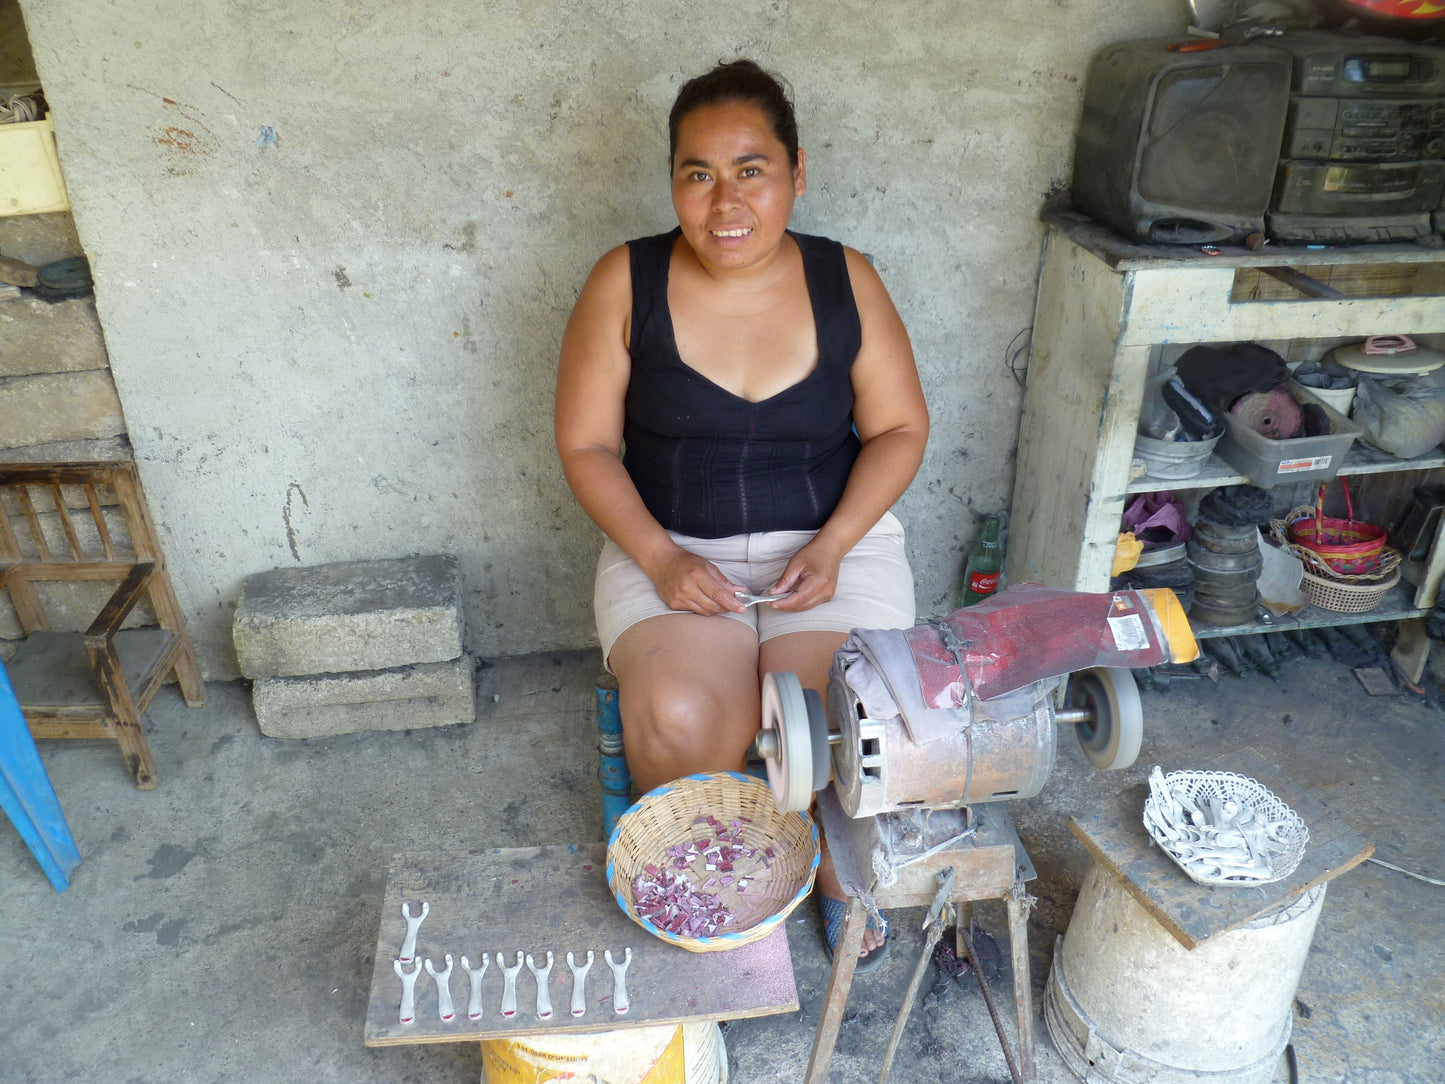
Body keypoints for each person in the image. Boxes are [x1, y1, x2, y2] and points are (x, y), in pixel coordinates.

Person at [554, 58, 928, 969]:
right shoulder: (624, 280)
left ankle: (834, 873)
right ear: (673, 182)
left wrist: (837, 543)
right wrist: (661, 558)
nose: (725, 202)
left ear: (797, 172)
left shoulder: (847, 280)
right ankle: (712, 842)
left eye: (750, 169)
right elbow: (586, 447)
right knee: (685, 718)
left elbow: (900, 427)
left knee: (834, 722)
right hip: (672, 546)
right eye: (697, 173)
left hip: (830, 544)